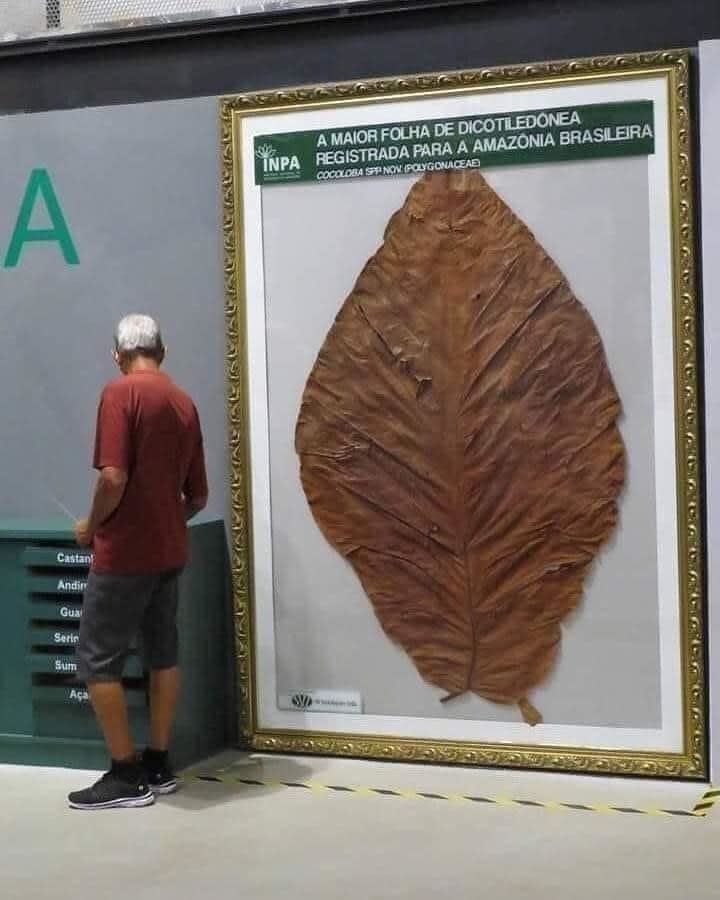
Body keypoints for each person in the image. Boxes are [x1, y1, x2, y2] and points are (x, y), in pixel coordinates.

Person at [67, 314, 208, 811]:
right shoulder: (185, 404)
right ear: (163, 351)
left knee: (96, 660)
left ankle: (125, 775)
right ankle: (158, 762)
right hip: (170, 552)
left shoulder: (118, 393)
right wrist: (165, 520)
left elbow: (113, 477)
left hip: (122, 555)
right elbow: (198, 497)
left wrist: (91, 525)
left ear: (117, 355)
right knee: (161, 653)